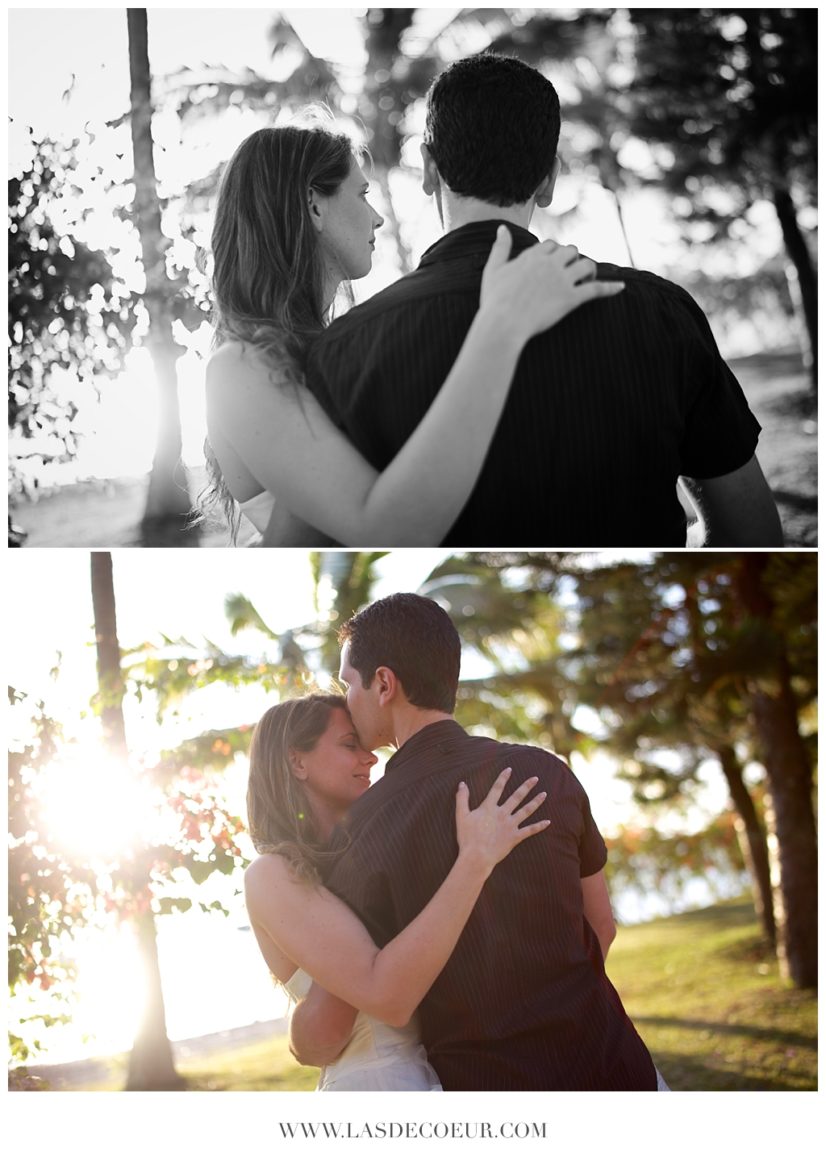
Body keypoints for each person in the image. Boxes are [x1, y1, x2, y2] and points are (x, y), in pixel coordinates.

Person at [307, 52, 784, 549]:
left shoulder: (343, 350)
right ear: (549, 180)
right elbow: (755, 534)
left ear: (428, 169)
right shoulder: (661, 311)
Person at [290, 592, 666, 1091]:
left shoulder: (363, 827)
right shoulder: (547, 772)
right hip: (617, 1068)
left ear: (384, 684)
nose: (347, 702)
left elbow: (346, 1008)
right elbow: (601, 925)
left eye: (348, 684)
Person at [202, 119, 623, 546]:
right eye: (363, 194)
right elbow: (383, 529)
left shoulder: (335, 346)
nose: (378, 217)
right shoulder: (239, 368)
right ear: (314, 205)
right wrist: (502, 325)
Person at [243, 692, 551, 1091]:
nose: (370, 758)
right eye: (349, 745)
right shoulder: (271, 874)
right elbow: (348, 1016)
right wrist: (474, 860)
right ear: (297, 761)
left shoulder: (363, 856)